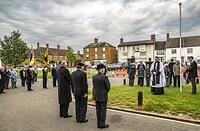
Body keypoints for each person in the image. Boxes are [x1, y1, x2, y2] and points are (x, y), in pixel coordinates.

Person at [92, 64, 110, 129]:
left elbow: (94, 86)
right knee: (103, 110)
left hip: (96, 96)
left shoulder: (94, 77)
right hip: (103, 96)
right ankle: (102, 124)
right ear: (102, 69)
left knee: (98, 110)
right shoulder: (104, 77)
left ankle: (98, 124)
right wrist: (105, 92)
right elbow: (108, 87)